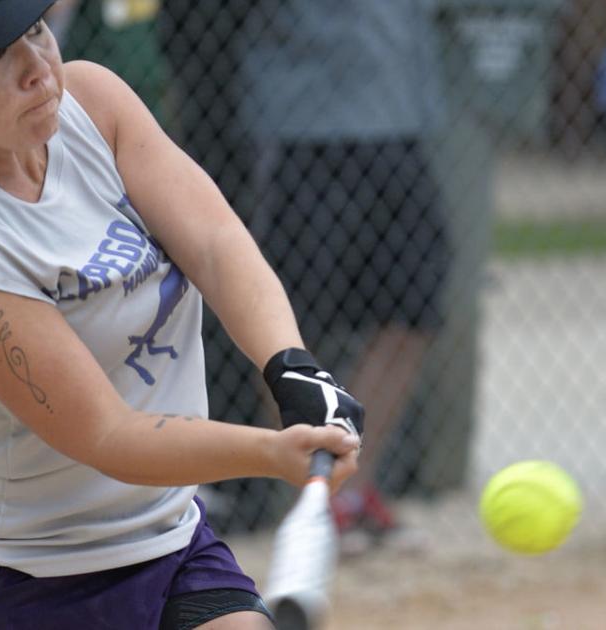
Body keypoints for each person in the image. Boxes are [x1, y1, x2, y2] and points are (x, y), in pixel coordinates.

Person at [0, 1, 363, 628]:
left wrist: (290, 365)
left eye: (33, 30)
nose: (37, 69)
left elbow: (215, 243)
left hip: (165, 543)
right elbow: (106, 436)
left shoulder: (92, 101)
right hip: (15, 583)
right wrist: (274, 454)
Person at [233, 1, 451, 553]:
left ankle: (350, 490)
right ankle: (310, 495)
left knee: (415, 309)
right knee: (280, 317)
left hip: (401, 117)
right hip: (299, 121)